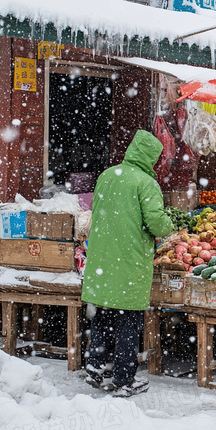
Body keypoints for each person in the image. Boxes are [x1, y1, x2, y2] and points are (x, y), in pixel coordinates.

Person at [82, 130, 174, 397]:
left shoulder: (107, 175)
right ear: (150, 158)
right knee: (128, 323)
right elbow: (156, 223)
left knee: (101, 316)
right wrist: (169, 224)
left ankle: (95, 368)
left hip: (102, 259)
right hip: (129, 262)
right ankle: (123, 381)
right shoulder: (145, 183)